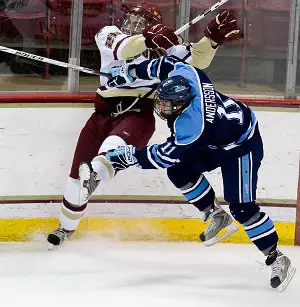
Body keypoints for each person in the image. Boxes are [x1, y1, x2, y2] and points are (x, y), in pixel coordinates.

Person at [79, 55, 296, 291]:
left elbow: (163, 155)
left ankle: (277, 258)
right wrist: (131, 72)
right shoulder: (187, 75)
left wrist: (128, 156)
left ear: (182, 103)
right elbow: (163, 64)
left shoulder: (192, 126)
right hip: (216, 138)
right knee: (179, 171)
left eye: (167, 105)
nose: (162, 109)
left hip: (241, 145)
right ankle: (215, 214)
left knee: (242, 209)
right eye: (160, 102)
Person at [47, 2, 241, 247]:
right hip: (101, 115)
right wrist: (147, 38)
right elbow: (123, 49)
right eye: (132, 18)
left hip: (137, 114)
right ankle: (66, 228)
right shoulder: (108, 33)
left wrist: (212, 38)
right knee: (75, 179)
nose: (134, 24)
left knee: (112, 146)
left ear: (151, 24)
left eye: (142, 21)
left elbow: (198, 60)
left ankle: (96, 174)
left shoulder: (164, 48)